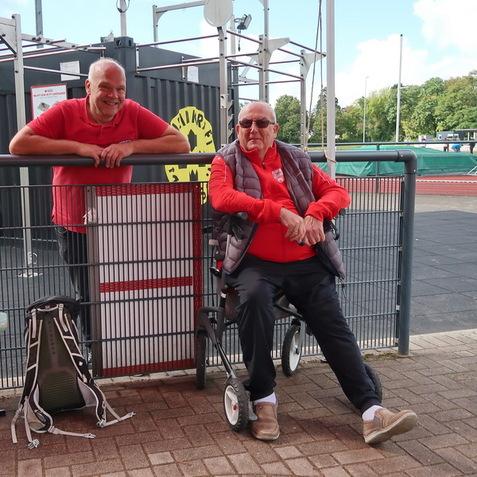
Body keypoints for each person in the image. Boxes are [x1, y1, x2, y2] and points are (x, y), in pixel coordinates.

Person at [208, 101, 417, 445]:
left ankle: (372, 412)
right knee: (254, 303)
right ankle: (264, 400)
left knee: (331, 323)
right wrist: (276, 212)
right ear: (237, 128)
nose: (253, 129)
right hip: (255, 262)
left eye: (262, 123)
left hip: (306, 262)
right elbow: (221, 197)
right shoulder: (225, 160)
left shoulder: (296, 158)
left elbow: (337, 192)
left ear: (275, 129)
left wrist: (316, 213)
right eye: (246, 123)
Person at [9, 57, 190, 346]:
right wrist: (77, 148)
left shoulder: (132, 111)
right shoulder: (65, 111)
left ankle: (118, 348)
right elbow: (18, 144)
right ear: (88, 87)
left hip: (115, 222)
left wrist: (130, 146)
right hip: (73, 224)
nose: (114, 95)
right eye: (106, 87)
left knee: (119, 287)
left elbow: (181, 143)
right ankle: (95, 351)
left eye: (121, 89)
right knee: (88, 293)